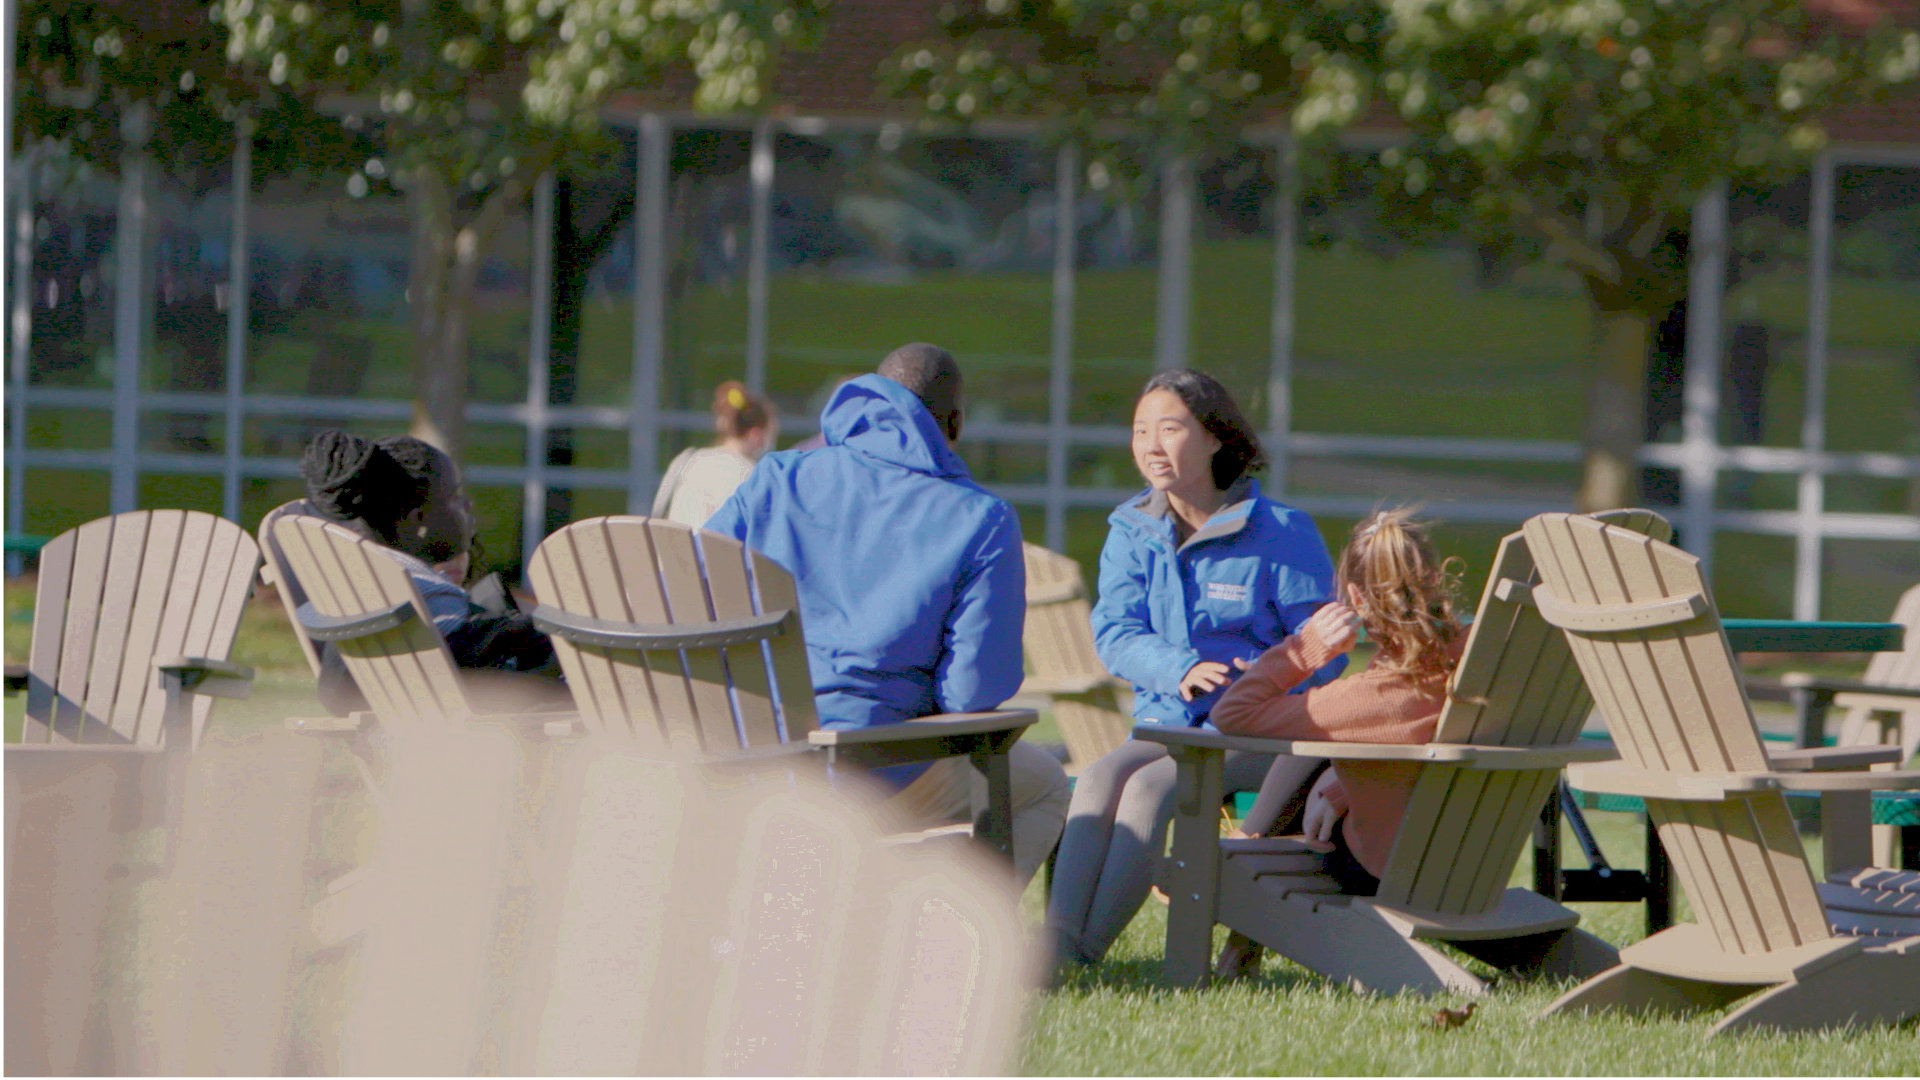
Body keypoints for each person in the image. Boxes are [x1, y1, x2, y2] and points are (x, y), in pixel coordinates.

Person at [706, 343, 1070, 885]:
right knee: (1045, 785)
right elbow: (971, 695)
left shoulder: (776, 477)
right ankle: (938, 942)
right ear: (956, 424)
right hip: (875, 766)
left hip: (747, 758)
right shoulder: (981, 519)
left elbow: (690, 595)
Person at [1046, 369, 1344, 972]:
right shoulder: (1129, 530)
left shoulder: (1282, 531)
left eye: (1170, 428)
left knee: (1151, 791)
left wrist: (1259, 674)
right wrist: (1179, 667)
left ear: (1213, 437)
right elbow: (1117, 633)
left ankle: (1079, 959)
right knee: (1103, 778)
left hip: (1255, 729)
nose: (1151, 445)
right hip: (1166, 723)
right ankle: (1053, 943)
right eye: (1140, 431)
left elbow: (1327, 647)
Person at [1206, 508, 1467, 977]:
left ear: (1355, 599)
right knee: (1321, 748)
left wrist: (1306, 648)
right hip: (1470, 862)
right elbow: (1434, 741)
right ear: (1434, 578)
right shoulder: (1481, 661)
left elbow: (1232, 713)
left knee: (1312, 729)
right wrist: (1344, 784)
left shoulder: (1365, 700)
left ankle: (1245, 862)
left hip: (1382, 872)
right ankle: (1249, 850)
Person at [298, 429, 561, 714]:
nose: (467, 504)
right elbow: (459, 650)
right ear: (419, 520)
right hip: (457, 725)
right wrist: (539, 630)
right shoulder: (416, 587)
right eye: (454, 497)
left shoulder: (366, 577)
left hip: (385, 719)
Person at [651, 381, 779, 526]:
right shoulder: (751, 477)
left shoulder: (686, 460)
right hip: (712, 548)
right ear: (756, 435)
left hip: (672, 546)